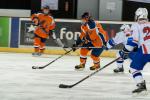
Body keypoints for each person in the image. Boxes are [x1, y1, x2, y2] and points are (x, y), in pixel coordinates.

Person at [120, 8, 150, 94]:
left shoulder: (136, 25)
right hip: (145, 50)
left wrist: (125, 51)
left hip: (145, 51)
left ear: (139, 15)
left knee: (133, 68)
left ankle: (141, 84)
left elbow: (134, 42)